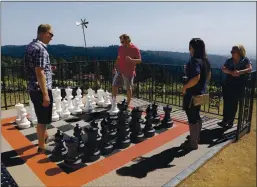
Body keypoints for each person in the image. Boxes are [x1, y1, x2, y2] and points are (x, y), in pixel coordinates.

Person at [24, 24, 54, 154]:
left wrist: (48, 69)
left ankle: (45, 137)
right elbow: (39, 72)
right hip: (41, 89)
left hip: (32, 87)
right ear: (43, 33)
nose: (52, 38)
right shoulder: (41, 49)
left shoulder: (30, 46)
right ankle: (42, 147)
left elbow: (34, 68)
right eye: (51, 34)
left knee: (41, 117)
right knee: (43, 120)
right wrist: (45, 94)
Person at [181, 38, 211, 151]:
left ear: (192, 48)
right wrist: (203, 85)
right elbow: (208, 75)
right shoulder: (205, 60)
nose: (189, 49)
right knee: (197, 115)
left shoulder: (194, 61)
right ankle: (196, 137)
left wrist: (185, 87)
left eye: (190, 46)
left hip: (192, 94)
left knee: (192, 117)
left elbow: (196, 77)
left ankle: (193, 143)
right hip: (201, 93)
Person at [218, 45, 252, 128]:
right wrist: (232, 72)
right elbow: (223, 68)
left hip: (239, 85)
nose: (232, 53)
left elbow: (249, 68)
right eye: (231, 52)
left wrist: (239, 72)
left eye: (233, 52)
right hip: (228, 83)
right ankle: (225, 120)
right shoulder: (229, 60)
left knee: (234, 103)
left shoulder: (245, 60)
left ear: (239, 52)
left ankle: (230, 121)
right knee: (227, 102)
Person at [112, 34, 142, 107]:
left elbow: (140, 60)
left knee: (128, 88)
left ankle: (127, 105)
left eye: (123, 42)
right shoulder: (121, 48)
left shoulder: (135, 49)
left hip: (129, 71)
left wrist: (132, 60)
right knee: (114, 85)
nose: (122, 43)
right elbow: (118, 58)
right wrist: (115, 66)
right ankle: (113, 102)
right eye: (121, 42)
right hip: (119, 70)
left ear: (128, 40)